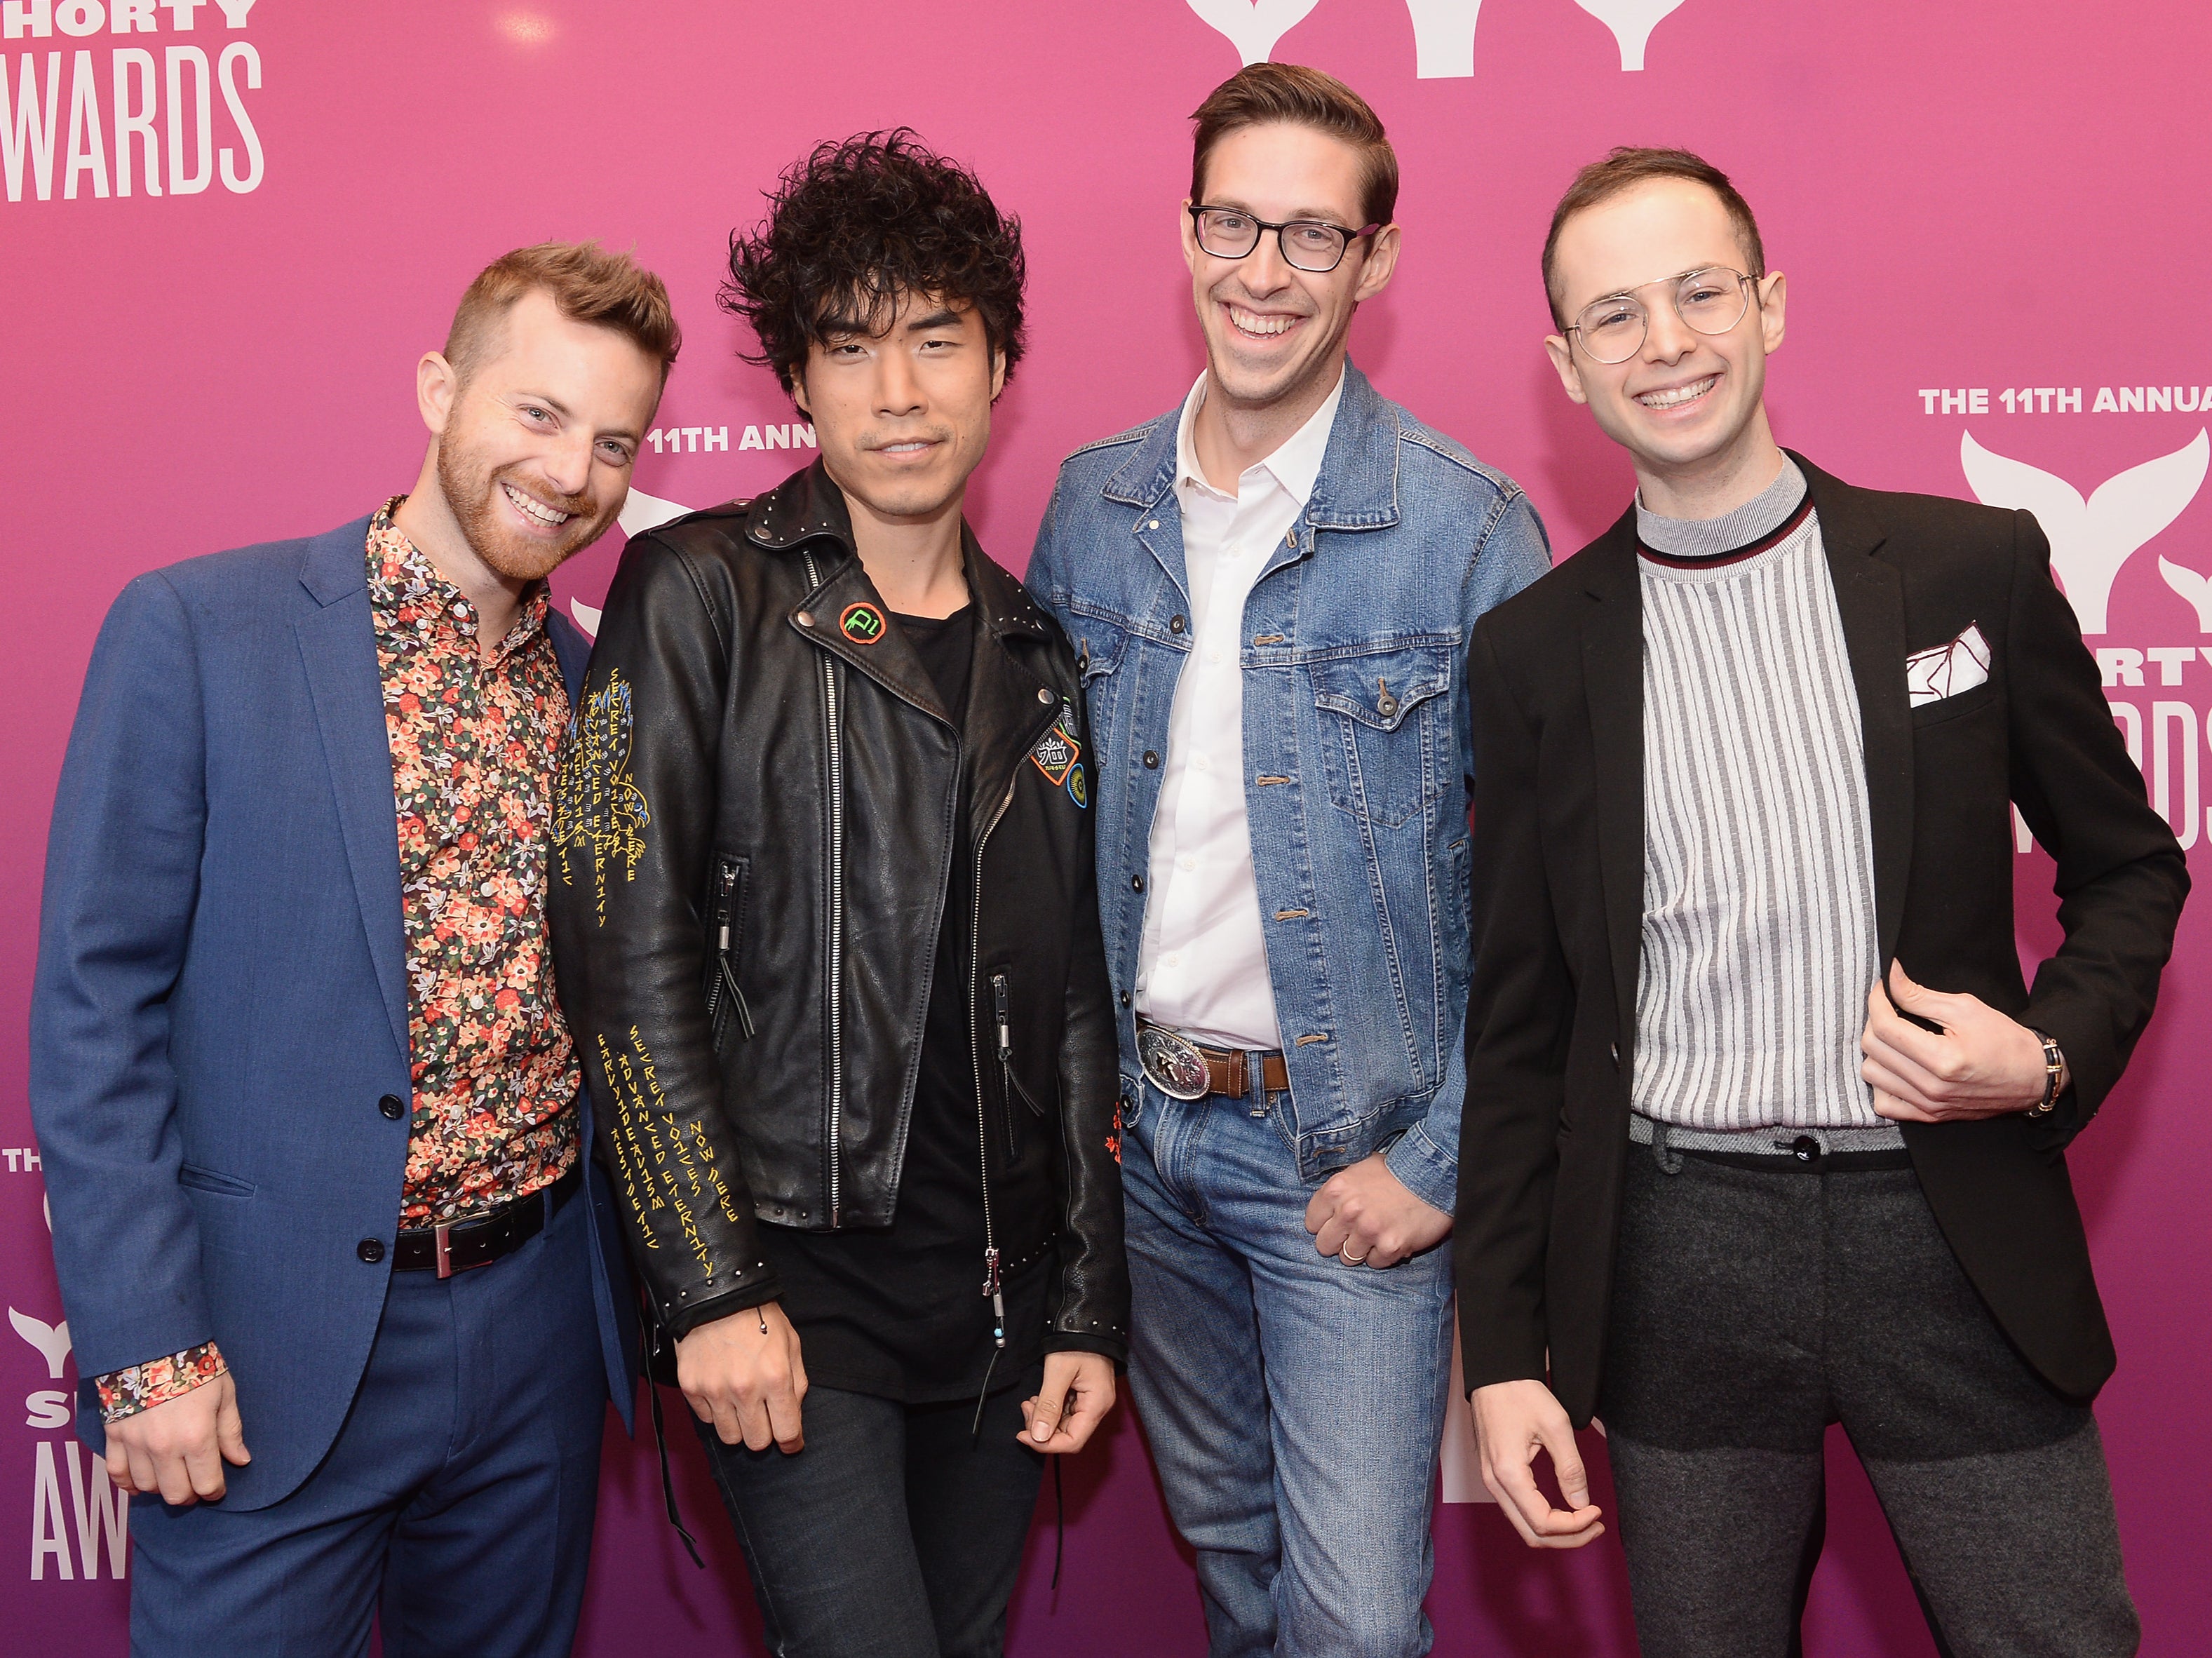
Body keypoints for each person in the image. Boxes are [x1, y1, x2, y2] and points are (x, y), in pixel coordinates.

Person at [1455, 146, 2188, 1657]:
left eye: (1696, 291)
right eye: (1612, 317)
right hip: (1676, 1261)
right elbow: (1521, 1031)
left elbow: (2130, 865)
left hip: (1949, 1234)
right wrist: (1504, 1350)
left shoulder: (1963, 567)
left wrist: (2041, 1055)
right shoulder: (1533, 655)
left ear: (1768, 305)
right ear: (1563, 366)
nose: (1663, 343)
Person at [31, 242, 674, 1654]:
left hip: (536, 1339)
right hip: (269, 1351)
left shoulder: (597, 683)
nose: (571, 471)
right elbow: (95, 1009)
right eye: (539, 413)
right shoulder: (199, 630)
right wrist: (147, 1350)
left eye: (613, 441)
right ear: (440, 387)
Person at [546, 132, 1127, 1658]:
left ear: (998, 361)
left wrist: (1084, 1301)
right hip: (791, 1299)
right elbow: (623, 958)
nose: (898, 389)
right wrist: (706, 1285)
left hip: (994, 1309)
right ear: (795, 382)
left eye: (937, 339)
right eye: (851, 347)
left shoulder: (1035, 655)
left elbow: (1073, 996)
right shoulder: (700, 595)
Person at [1026, 65, 1551, 1658]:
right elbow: (1047, 846)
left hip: (1344, 1163)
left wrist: (1435, 1163)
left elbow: (1546, 907)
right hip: (1149, 1149)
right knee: (1233, 1564)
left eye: (1310, 237)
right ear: (1184, 233)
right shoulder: (1090, 507)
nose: (1262, 271)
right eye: (1232, 224)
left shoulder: (1465, 532)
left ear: (1374, 262)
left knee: (1351, 1623)